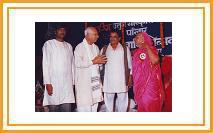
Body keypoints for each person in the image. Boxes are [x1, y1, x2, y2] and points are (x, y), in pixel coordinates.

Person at [42, 24, 75, 112]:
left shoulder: (69, 46)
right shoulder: (49, 44)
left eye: (64, 30)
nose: (62, 31)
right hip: (53, 84)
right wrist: (47, 83)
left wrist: (73, 83)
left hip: (67, 85)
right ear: (55, 31)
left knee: (66, 110)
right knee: (54, 110)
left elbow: (72, 65)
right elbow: (45, 64)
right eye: (60, 29)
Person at [74, 27, 107, 112]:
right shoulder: (79, 47)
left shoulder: (95, 47)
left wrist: (100, 62)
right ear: (87, 35)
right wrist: (94, 61)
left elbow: (97, 65)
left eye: (97, 34)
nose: (98, 36)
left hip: (94, 83)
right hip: (84, 83)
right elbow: (77, 63)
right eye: (95, 34)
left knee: (94, 108)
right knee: (85, 107)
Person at [132, 32, 165, 112]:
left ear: (143, 39)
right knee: (142, 105)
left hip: (149, 85)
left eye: (137, 37)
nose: (134, 39)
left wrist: (146, 46)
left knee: (150, 105)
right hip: (138, 84)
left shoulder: (151, 49)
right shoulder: (136, 52)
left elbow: (155, 61)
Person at [101, 31, 132, 112]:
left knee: (123, 102)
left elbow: (130, 65)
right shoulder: (104, 49)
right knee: (108, 102)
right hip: (108, 81)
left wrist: (130, 77)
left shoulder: (125, 49)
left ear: (119, 38)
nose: (112, 38)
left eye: (115, 36)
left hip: (121, 80)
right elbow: (100, 66)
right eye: (111, 36)